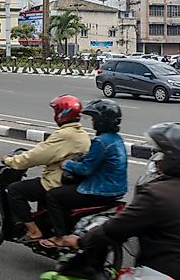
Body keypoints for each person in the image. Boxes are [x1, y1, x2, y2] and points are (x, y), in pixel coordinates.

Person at [57, 123, 180, 280]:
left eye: (164, 154)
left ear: (175, 160)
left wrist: (80, 240)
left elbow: (115, 230)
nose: (159, 159)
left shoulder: (158, 194)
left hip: (164, 274)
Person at [0, 95, 90, 244]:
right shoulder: (82, 134)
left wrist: (11, 161)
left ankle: (34, 231)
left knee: (15, 190)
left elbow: (38, 155)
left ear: (62, 113)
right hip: (71, 182)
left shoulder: (64, 135)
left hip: (55, 182)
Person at [40, 99, 128, 248]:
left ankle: (59, 236)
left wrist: (66, 163)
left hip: (99, 190)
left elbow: (85, 169)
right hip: (116, 190)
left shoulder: (101, 141)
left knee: (53, 195)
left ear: (101, 121)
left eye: (94, 119)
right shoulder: (116, 140)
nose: (92, 122)